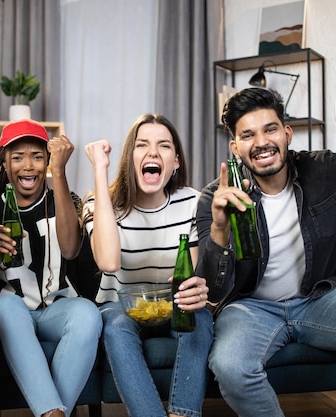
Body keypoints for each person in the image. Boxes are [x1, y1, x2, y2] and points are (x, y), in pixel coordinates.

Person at [197, 87, 336, 417]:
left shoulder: (330, 170)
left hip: (319, 298)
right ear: (235, 147)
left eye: (270, 129)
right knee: (230, 365)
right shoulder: (215, 198)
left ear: (287, 133)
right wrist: (220, 228)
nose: (262, 142)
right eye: (248, 135)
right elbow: (212, 290)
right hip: (250, 308)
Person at [82, 114, 213, 417]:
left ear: (176, 161)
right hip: (119, 307)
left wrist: (194, 290)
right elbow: (108, 261)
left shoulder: (193, 203)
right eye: (142, 145)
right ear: (130, 157)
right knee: (115, 327)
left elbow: (188, 276)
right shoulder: (98, 203)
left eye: (164, 146)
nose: (153, 153)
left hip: (172, 307)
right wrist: (100, 171)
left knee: (201, 318)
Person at [0, 119, 102, 417]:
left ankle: (51, 413)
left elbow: (72, 248)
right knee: (7, 306)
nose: (28, 166)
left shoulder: (65, 200)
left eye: (37, 156)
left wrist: (59, 172)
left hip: (55, 311)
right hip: (10, 314)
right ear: (4, 163)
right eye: (17, 157)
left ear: (48, 161)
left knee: (87, 313)